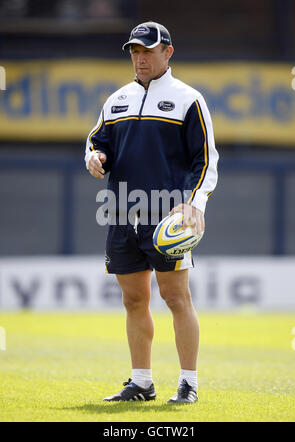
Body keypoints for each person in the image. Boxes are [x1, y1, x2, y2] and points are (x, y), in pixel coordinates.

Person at [85, 21, 219, 403]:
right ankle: (141, 383)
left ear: (168, 53)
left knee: (176, 298)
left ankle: (189, 383)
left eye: (147, 51)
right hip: (121, 211)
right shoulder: (116, 100)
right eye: (134, 51)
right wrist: (94, 158)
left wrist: (195, 204)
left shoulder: (188, 99)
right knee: (133, 300)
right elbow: (98, 142)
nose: (140, 59)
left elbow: (206, 159)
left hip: (167, 216)